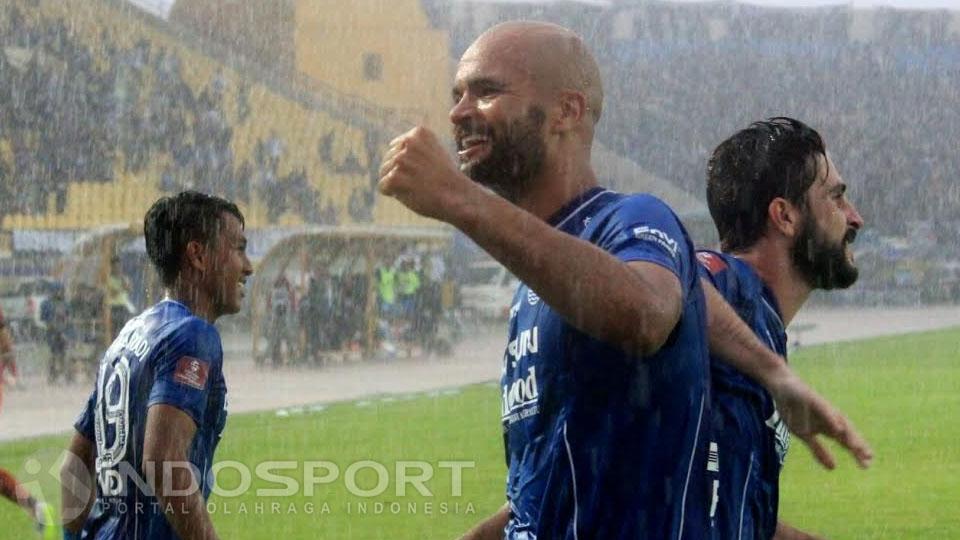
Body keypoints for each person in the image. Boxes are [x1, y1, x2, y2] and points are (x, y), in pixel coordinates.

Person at [378, 21, 872, 539]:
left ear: (568, 110)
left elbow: (654, 305)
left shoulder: (630, 226)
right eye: (457, 95)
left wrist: (456, 197)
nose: (458, 112)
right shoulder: (562, 274)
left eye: (486, 91)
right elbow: (543, 494)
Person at [698, 118, 865, 540]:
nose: (855, 218)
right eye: (837, 197)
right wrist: (776, 373)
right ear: (785, 216)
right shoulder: (729, 282)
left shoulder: (759, 321)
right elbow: (673, 283)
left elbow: (731, 512)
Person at [59, 191, 252, 540]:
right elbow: (164, 462)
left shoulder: (129, 336)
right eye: (239, 249)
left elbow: (77, 461)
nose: (248, 266)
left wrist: (70, 538)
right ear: (198, 255)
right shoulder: (191, 335)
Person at [41, 284, 71, 384]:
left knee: (63, 354)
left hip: (63, 331)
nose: (59, 293)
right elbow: (44, 319)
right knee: (54, 354)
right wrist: (53, 327)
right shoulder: (47, 303)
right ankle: (53, 375)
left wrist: (64, 330)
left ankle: (65, 375)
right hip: (52, 332)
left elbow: (68, 318)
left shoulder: (65, 303)